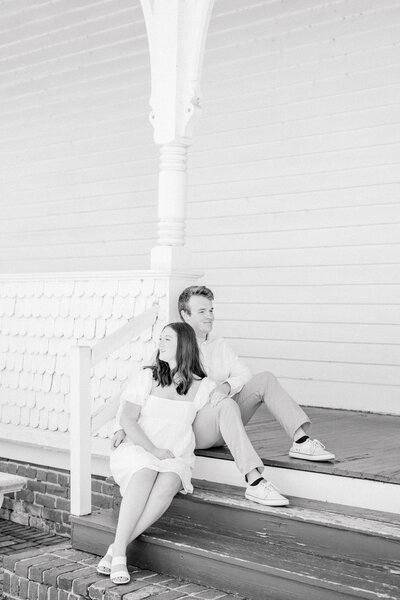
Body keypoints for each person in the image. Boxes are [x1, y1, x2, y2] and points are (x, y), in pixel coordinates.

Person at [97, 322, 217, 585]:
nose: (160, 343)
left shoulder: (203, 387)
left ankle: (116, 548)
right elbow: (128, 419)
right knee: (146, 470)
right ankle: (119, 554)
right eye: (160, 338)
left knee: (170, 481)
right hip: (139, 449)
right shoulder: (147, 377)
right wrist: (152, 449)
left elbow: (213, 421)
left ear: (183, 346)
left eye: (167, 339)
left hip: (175, 455)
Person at [178, 286, 335, 466]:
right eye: (202, 311)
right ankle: (254, 477)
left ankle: (301, 441)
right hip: (199, 431)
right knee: (226, 404)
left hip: (227, 424)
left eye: (211, 310)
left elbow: (244, 374)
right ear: (185, 314)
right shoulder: (177, 346)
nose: (210, 316)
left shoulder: (219, 344)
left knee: (265, 379)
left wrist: (226, 386)